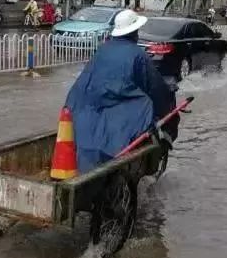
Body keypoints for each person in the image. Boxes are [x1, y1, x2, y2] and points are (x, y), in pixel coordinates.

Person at [65, 9, 177, 172]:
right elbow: (156, 89)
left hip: (84, 110)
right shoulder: (138, 56)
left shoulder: (103, 50)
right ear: (134, 32)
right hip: (115, 116)